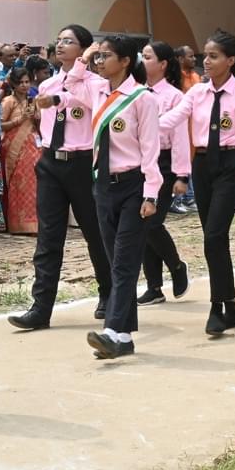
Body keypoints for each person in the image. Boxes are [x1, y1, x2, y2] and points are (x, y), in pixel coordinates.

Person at [159, 31, 235, 337]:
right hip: (203, 165)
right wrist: (138, 121)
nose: (206, 62)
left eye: (213, 56)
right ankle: (231, 306)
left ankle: (216, 307)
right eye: (205, 56)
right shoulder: (196, 93)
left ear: (231, 60)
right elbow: (171, 120)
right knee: (216, 239)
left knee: (214, 236)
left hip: (231, 165)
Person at [8, 25, 115, 331]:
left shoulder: (97, 84)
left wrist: (82, 69)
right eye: (59, 40)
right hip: (52, 163)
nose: (61, 45)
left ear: (84, 50)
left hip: (82, 165)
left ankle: (108, 293)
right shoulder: (49, 84)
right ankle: (41, 307)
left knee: (95, 233)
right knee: (48, 237)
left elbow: (89, 105)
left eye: (70, 41)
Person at [68, 35, 161, 358]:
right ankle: (123, 337)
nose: (100, 61)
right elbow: (71, 82)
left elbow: (150, 149)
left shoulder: (141, 98)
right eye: (99, 56)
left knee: (124, 262)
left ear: (125, 61)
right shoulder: (96, 91)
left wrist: (151, 194)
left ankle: (112, 328)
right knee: (114, 261)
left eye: (107, 56)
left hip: (134, 185)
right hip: (103, 185)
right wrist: (87, 54)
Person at [137, 40, 190, 304]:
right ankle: (154, 287)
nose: (142, 60)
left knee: (152, 223)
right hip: (139, 163)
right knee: (143, 223)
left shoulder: (174, 96)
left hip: (165, 164)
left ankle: (177, 267)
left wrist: (181, 175)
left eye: (147, 57)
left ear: (163, 64)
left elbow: (180, 138)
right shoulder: (136, 92)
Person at [0, 67, 41, 234]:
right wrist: (19, 120)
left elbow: (40, 125)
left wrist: (37, 118)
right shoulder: (9, 101)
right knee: (19, 184)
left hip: (34, 148)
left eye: (27, 82)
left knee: (35, 184)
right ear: (14, 85)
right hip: (15, 149)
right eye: (20, 82)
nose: (24, 85)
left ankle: (35, 224)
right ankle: (19, 225)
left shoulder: (33, 101)